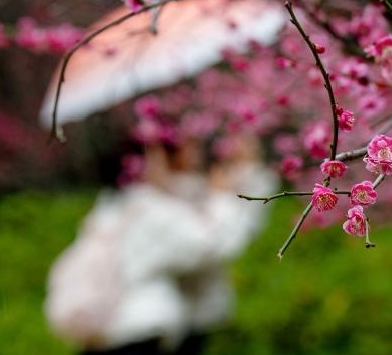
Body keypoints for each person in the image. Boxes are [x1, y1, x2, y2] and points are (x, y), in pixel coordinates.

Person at [44, 135, 276, 354]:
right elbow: (214, 245)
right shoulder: (151, 211)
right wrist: (224, 197)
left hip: (112, 328)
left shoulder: (115, 206)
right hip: (136, 332)